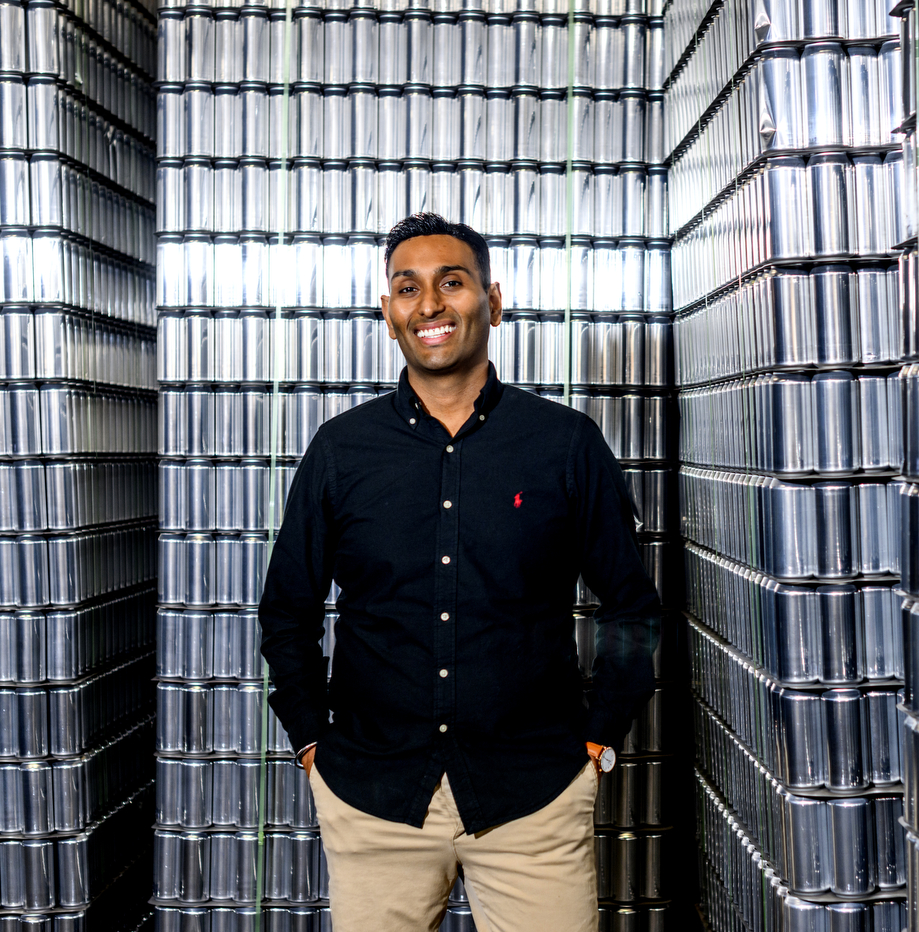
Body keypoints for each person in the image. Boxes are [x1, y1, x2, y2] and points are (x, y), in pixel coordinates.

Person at [258, 212, 661, 932]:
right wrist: (312, 741)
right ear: (389, 315)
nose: (430, 305)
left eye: (452, 282)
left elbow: (632, 605)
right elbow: (287, 608)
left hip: (533, 795)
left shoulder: (564, 444)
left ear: (493, 301)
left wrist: (597, 741)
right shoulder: (341, 451)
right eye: (407, 288)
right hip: (374, 797)